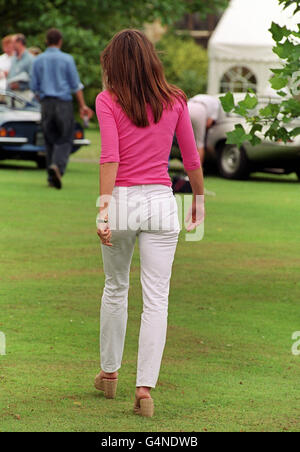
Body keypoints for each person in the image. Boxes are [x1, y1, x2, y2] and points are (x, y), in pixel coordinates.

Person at [94, 29, 205, 417]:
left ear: (114, 64)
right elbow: (191, 158)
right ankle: (143, 388)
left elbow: (110, 157)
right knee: (157, 299)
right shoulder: (174, 100)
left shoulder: (108, 100)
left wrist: (103, 209)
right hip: (161, 202)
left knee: (115, 287)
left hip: (122, 201)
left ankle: (109, 374)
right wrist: (199, 199)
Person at [30, 28, 93, 189]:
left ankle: (51, 177)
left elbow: (34, 86)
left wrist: (42, 99)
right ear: (60, 41)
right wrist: (82, 105)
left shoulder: (38, 60)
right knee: (65, 137)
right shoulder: (67, 59)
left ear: (46, 41)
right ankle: (57, 166)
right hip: (63, 103)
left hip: (46, 103)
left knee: (49, 139)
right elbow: (75, 85)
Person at [187, 94, 224, 164]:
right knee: (199, 143)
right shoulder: (217, 103)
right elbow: (209, 123)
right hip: (200, 110)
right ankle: (198, 170)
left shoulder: (200, 96)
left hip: (187, 106)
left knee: (186, 142)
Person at [7, 34, 34, 101]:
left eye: (13, 43)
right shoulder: (13, 58)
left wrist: (20, 86)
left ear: (19, 43)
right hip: (12, 95)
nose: (11, 45)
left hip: (24, 96)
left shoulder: (30, 59)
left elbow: (33, 79)